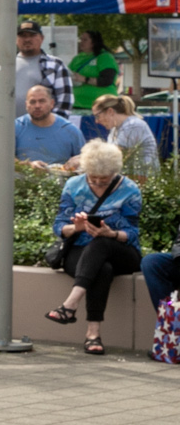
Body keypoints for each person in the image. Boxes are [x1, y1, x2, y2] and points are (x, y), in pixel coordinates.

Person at [45, 139, 140, 356]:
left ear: (114, 174)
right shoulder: (74, 186)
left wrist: (112, 233)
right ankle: (93, 335)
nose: (97, 183)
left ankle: (70, 304)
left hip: (121, 251)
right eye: (92, 179)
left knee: (101, 243)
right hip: (80, 250)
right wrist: (76, 228)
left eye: (103, 180)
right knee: (102, 269)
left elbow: (133, 234)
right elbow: (59, 226)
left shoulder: (130, 190)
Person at [74, 93, 158, 180]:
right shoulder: (115, 129)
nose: (96, 121)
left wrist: (81, 159)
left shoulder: (133, 125)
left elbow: (110, 155)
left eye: (97, 116)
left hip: (142, 179)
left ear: (110, 111)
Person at [14, 84, 84, 168]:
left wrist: (74, 164)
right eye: (32, 102)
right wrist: (28, 165)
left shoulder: (70, 131)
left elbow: (85, 162)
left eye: (42, 101)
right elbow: (2, 158)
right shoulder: (15, 127)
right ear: (26, 105)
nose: (37, 106)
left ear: (52, 103)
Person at [13, 22, 74, 110]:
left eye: (32, 35)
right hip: (7, 123)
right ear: (16, 39)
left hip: (43, 123)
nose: (27, 39)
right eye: (23, 36)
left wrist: (52, 123)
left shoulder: (56, 64)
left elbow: (65, 99)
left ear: (42, 38)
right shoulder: (6, 65)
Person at [70, 29, 119, 111]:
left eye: (85, 40)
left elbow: (107, 80)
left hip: (102, 106)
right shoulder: (77, 58)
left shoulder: (105, 57)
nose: (81, 42)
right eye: (80, 39)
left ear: (94, 42)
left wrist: (85, 79)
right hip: (77, 104)